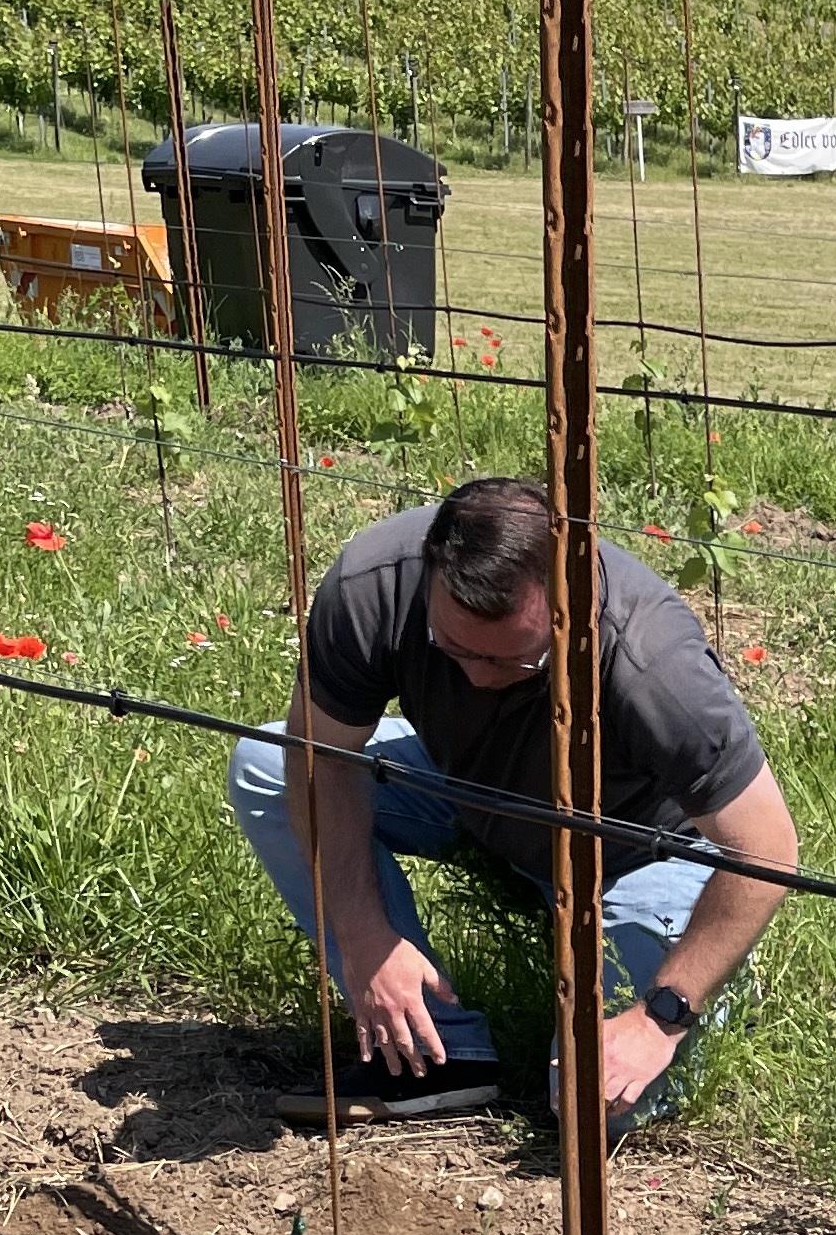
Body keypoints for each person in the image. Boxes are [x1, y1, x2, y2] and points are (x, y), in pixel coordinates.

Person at [226, 477, 799, 1137]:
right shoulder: (373, 585)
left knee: (591, 1106)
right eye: (456, 650)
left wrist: (659, 1017)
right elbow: (320, 756)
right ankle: (432, 1051)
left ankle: (703, 982)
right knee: (267, 764)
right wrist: (363, 935)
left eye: (514, 665)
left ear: (567, 603)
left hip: (641, 849)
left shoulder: (652, 663)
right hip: (475, 793)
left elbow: (767, 847)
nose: (477, 679)